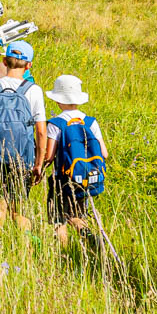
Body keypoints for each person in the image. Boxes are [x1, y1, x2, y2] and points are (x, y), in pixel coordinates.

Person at [0, 40, 47, 230]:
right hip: (22, 156)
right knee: (18, 210)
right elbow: (40, 131)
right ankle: (26, 250)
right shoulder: (34, 91)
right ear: (29, 65)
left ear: (4, 62)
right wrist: (38, 164)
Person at [42, 75, 107, 250]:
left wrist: (39, 168)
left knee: (59, 218)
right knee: (77, 215)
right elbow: (104, 153)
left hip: (62, 179)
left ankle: (63, 253)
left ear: (57, 100)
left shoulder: (56, 124)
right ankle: (90, 239)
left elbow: (49, 156)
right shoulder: (91, 122)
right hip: (86, 178)